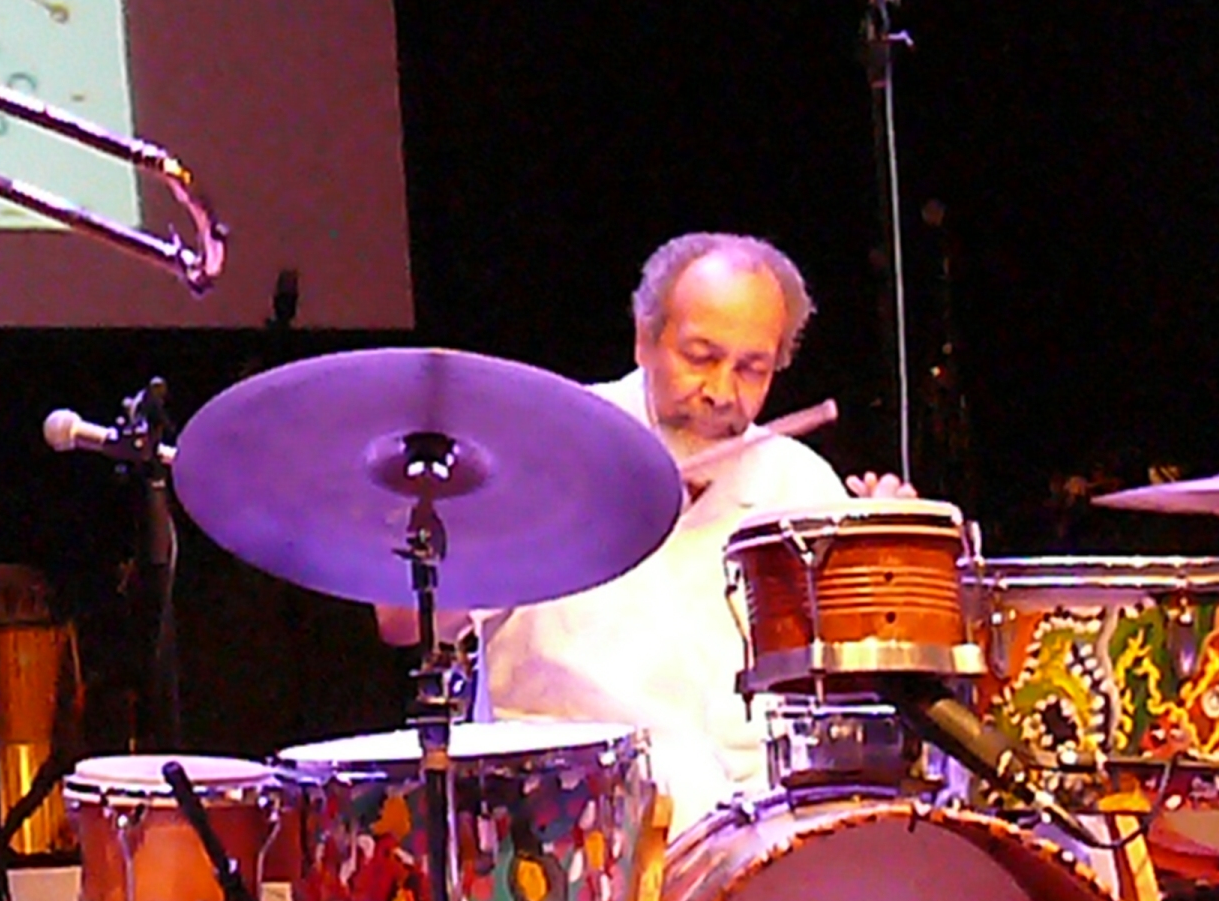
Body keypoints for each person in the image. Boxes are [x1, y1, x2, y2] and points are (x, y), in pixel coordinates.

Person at [386, 232, 908, 829]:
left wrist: (890, 552)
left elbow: (860, 676)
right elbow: (401, 616)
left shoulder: (795, 480)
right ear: (645, 340)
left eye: (751, 369)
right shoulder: (554, 447)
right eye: (700, 357)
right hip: (567, 817)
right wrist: (554, 524)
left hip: (752, 825)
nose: (720, 393)